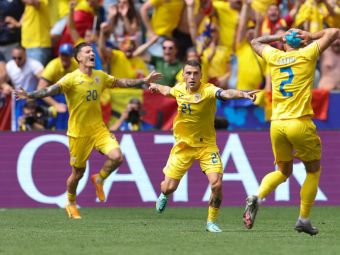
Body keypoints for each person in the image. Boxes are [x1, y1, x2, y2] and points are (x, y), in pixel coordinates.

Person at [14, 42, 162, 219]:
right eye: (87, 51)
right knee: (77, 174)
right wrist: (30, 95)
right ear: (78, 58)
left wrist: (143, 81)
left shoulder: (100, 76)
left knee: (117, 157)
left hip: (98, 129)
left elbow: (121, 82)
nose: (92, 53)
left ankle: (99, 178)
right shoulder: (71, 79)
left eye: (92, 51)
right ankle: (70, 202)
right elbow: (49, 90)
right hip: (78, 133)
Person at [243, 28, 340, 235]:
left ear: (284, 44)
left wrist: (279, 37)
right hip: (299, 122)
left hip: (277, 124)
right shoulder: (307, 53)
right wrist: (311, 35)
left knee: (283, 171)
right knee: (313, 170)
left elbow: (255, 41)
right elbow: (334, 32)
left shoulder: (275, 56)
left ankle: (256, 196)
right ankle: (303, 219)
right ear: (302, 43)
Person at [149, 60, 258, 232]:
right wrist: (156, 86)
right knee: (168, 187)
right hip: (183, 146)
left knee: (216, 183)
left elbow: (226, 93)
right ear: (183, 75)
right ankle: (163, 194)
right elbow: (167, 90)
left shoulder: (208, 90)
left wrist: (242, 94)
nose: (192, 77)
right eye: (189, 73)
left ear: (201, 75)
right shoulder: (179, 89)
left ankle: (211, 222)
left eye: (196, 73)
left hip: (206, 146)